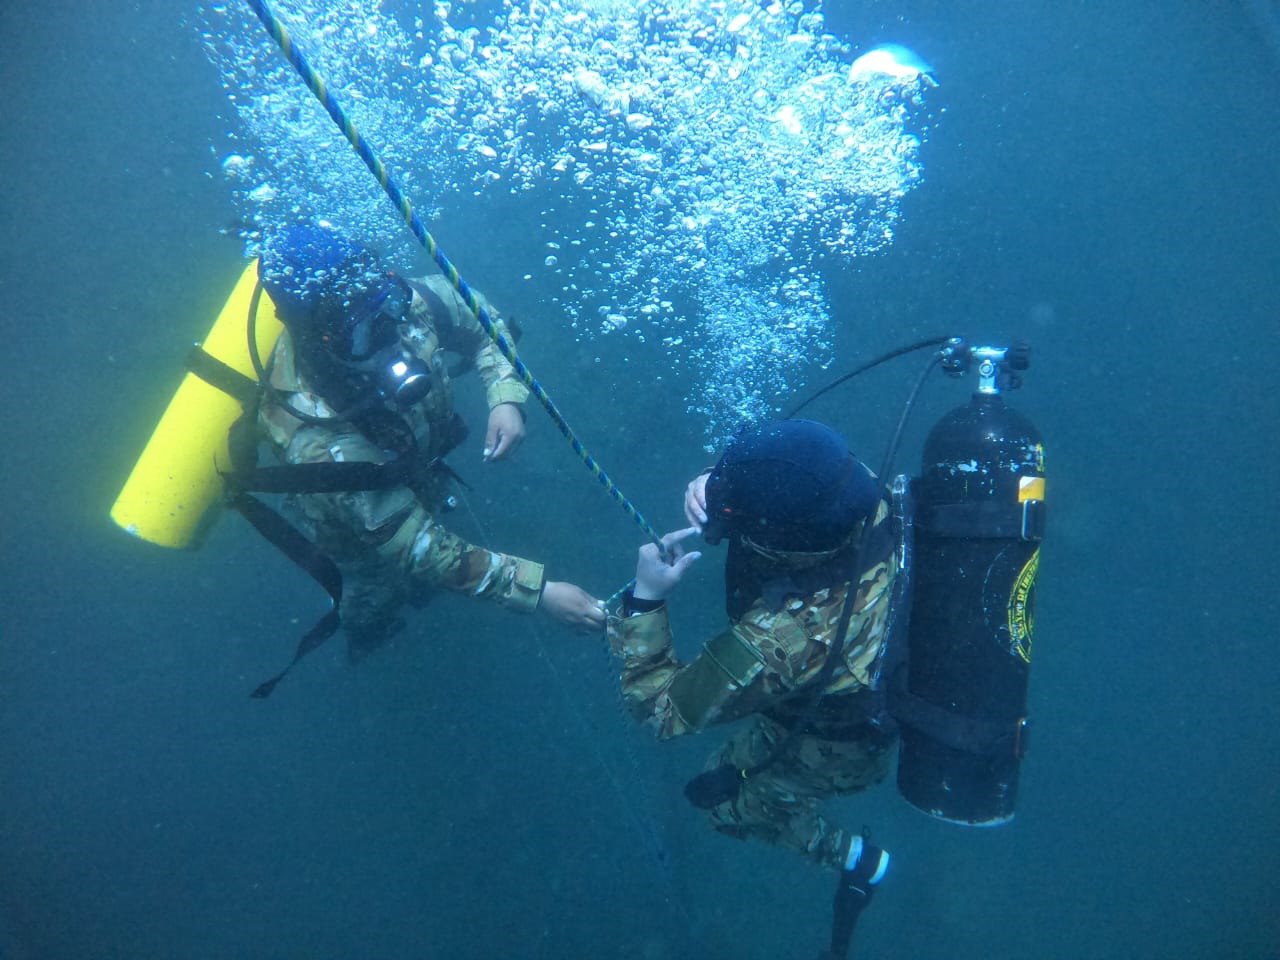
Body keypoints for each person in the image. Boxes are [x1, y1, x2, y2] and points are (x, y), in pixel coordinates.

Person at [251, 222, 604, 665]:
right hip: (357, 529)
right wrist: (540, 594)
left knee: (425, 521)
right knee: (371, 592)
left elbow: (483, 322)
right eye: (365, 330)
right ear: (324, 339)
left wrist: (505, 398)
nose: (390, 332)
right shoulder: (317, 440)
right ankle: (369, 637)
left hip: (414, 465)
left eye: (391, 305)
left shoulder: (398, 303)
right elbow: (419, 547)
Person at [607, 418, 898, 954]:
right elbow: (789, 474)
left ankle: (855, 859)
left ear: (777, 545)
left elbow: (659, 709)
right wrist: (719, 487)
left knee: (722, 807)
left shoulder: (783, 639)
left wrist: (645, 598)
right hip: (867, 665)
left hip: (836, 746)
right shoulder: (865, 495)